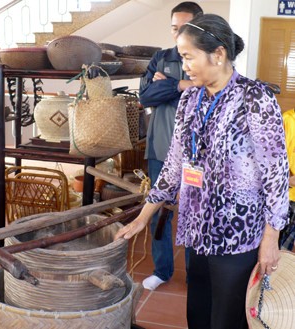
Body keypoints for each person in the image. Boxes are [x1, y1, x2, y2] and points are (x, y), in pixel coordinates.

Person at [116, 13, 289, 329]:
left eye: (188, 57)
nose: (184, 66)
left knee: (227, 319)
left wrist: (271, 237)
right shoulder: (190, 99)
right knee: (197, 313)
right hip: (196, 229)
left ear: (218, 54)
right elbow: (173, 166)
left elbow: (276, 174)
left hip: (238, 233)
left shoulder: (255, 98)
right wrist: (143, 216)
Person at [138, 1, 203, 291]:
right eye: (174, 28)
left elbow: (206, 94)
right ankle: (162, 270)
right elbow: (146, 96)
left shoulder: (207, 58)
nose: (178, 35)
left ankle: (195, 275)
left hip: (196, 157)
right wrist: (180, 85)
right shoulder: (161, 57)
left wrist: (170, 85)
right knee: (160, 212)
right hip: (160, 150)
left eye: (185, 29)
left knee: (193, 214)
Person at [280, 108, 295, 250]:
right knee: (283, 246)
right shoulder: (287, 119)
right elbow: (278, 156)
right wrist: (288, 180)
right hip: (289, 196)